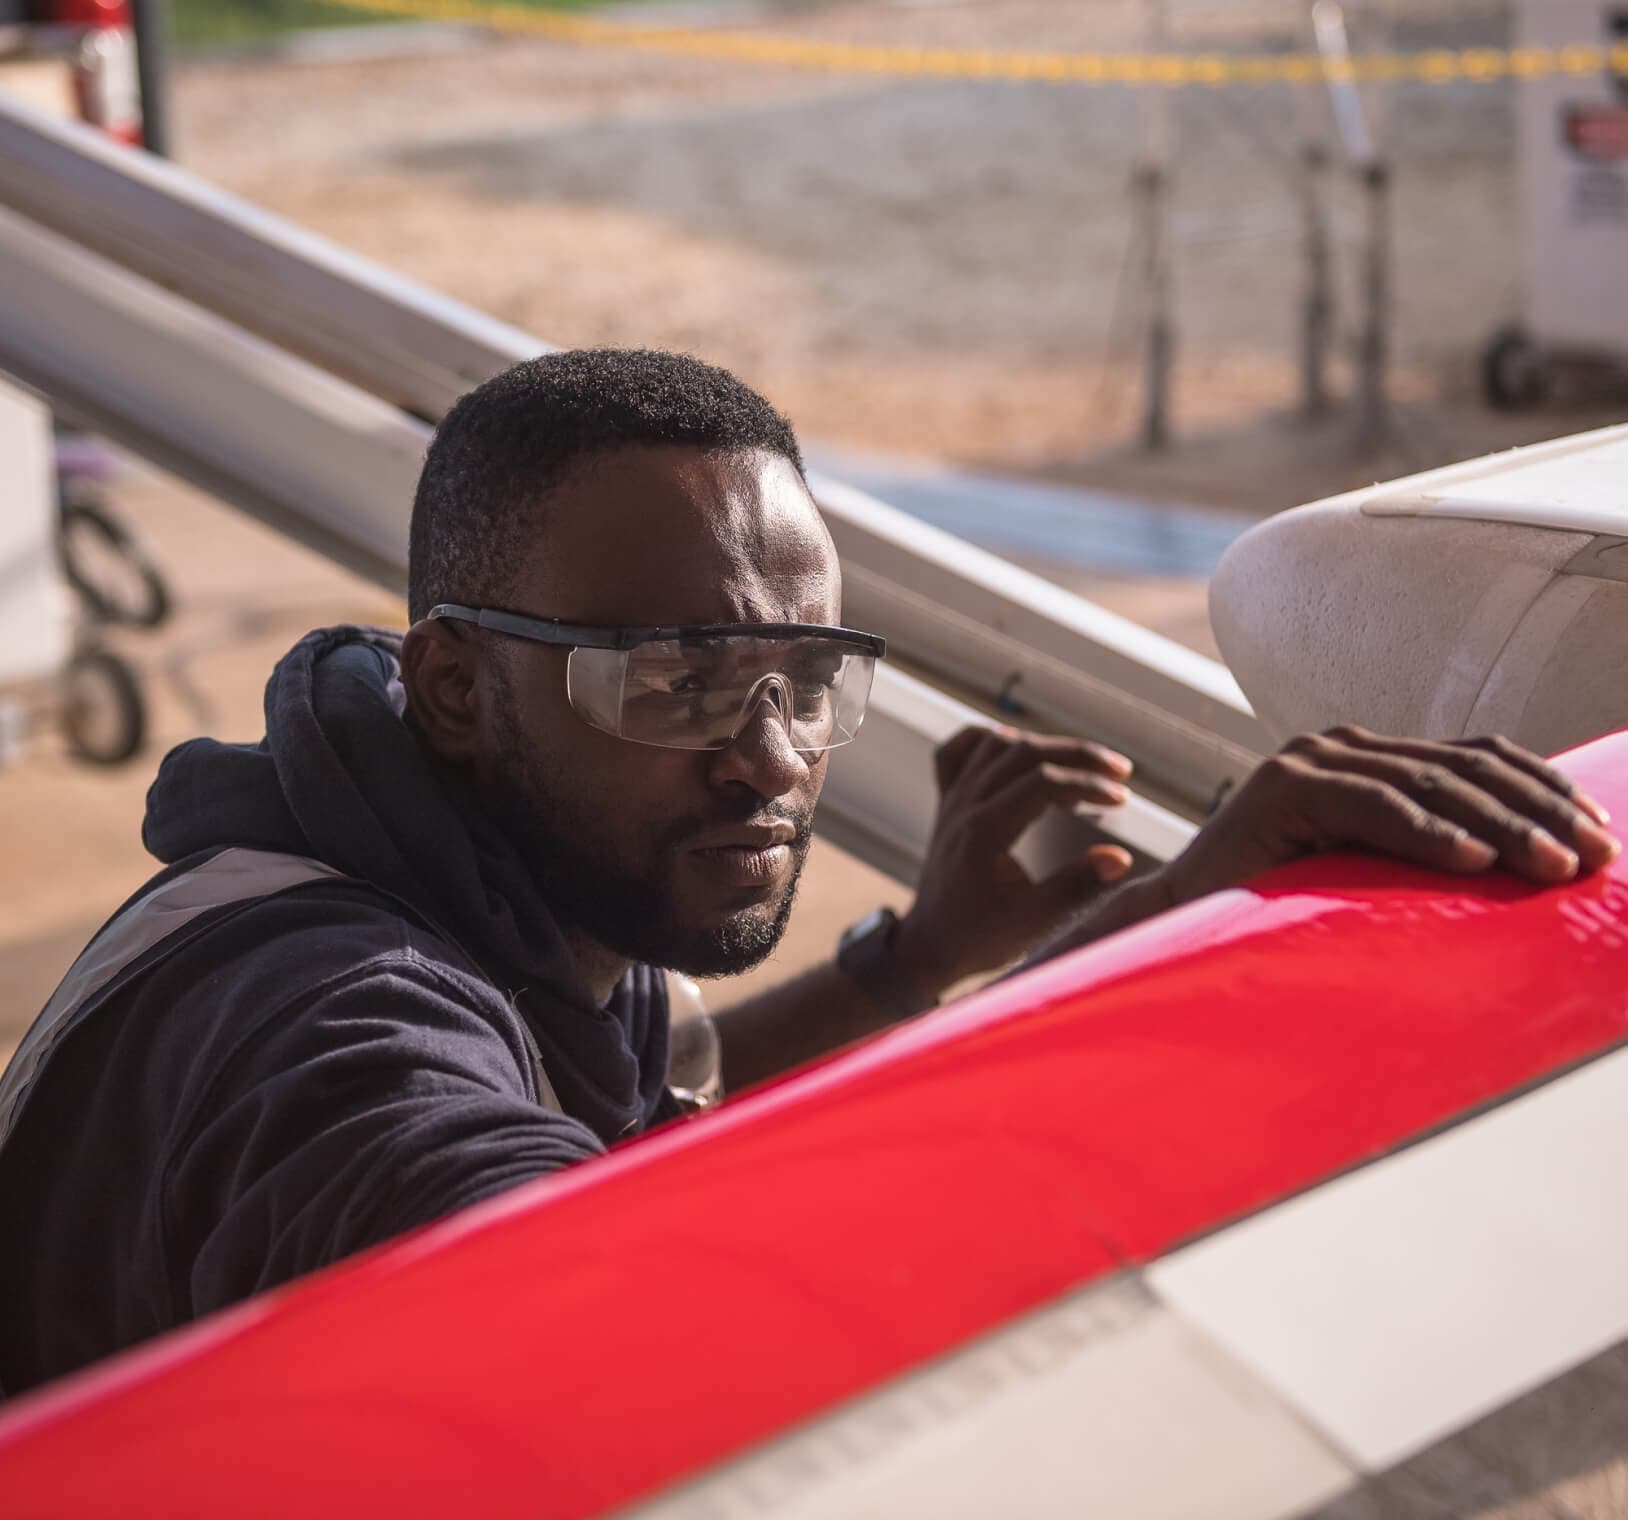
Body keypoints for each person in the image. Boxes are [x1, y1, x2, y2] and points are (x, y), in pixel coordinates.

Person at [0, 349, 1615, 1399]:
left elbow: (657, 1129)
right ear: (454, 685)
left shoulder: (490, 884)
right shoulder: (331, 1032)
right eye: (676, 679)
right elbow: (641, 1331)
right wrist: (1154, 946)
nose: (770, 756)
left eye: (803, 676)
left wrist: (917, 961)